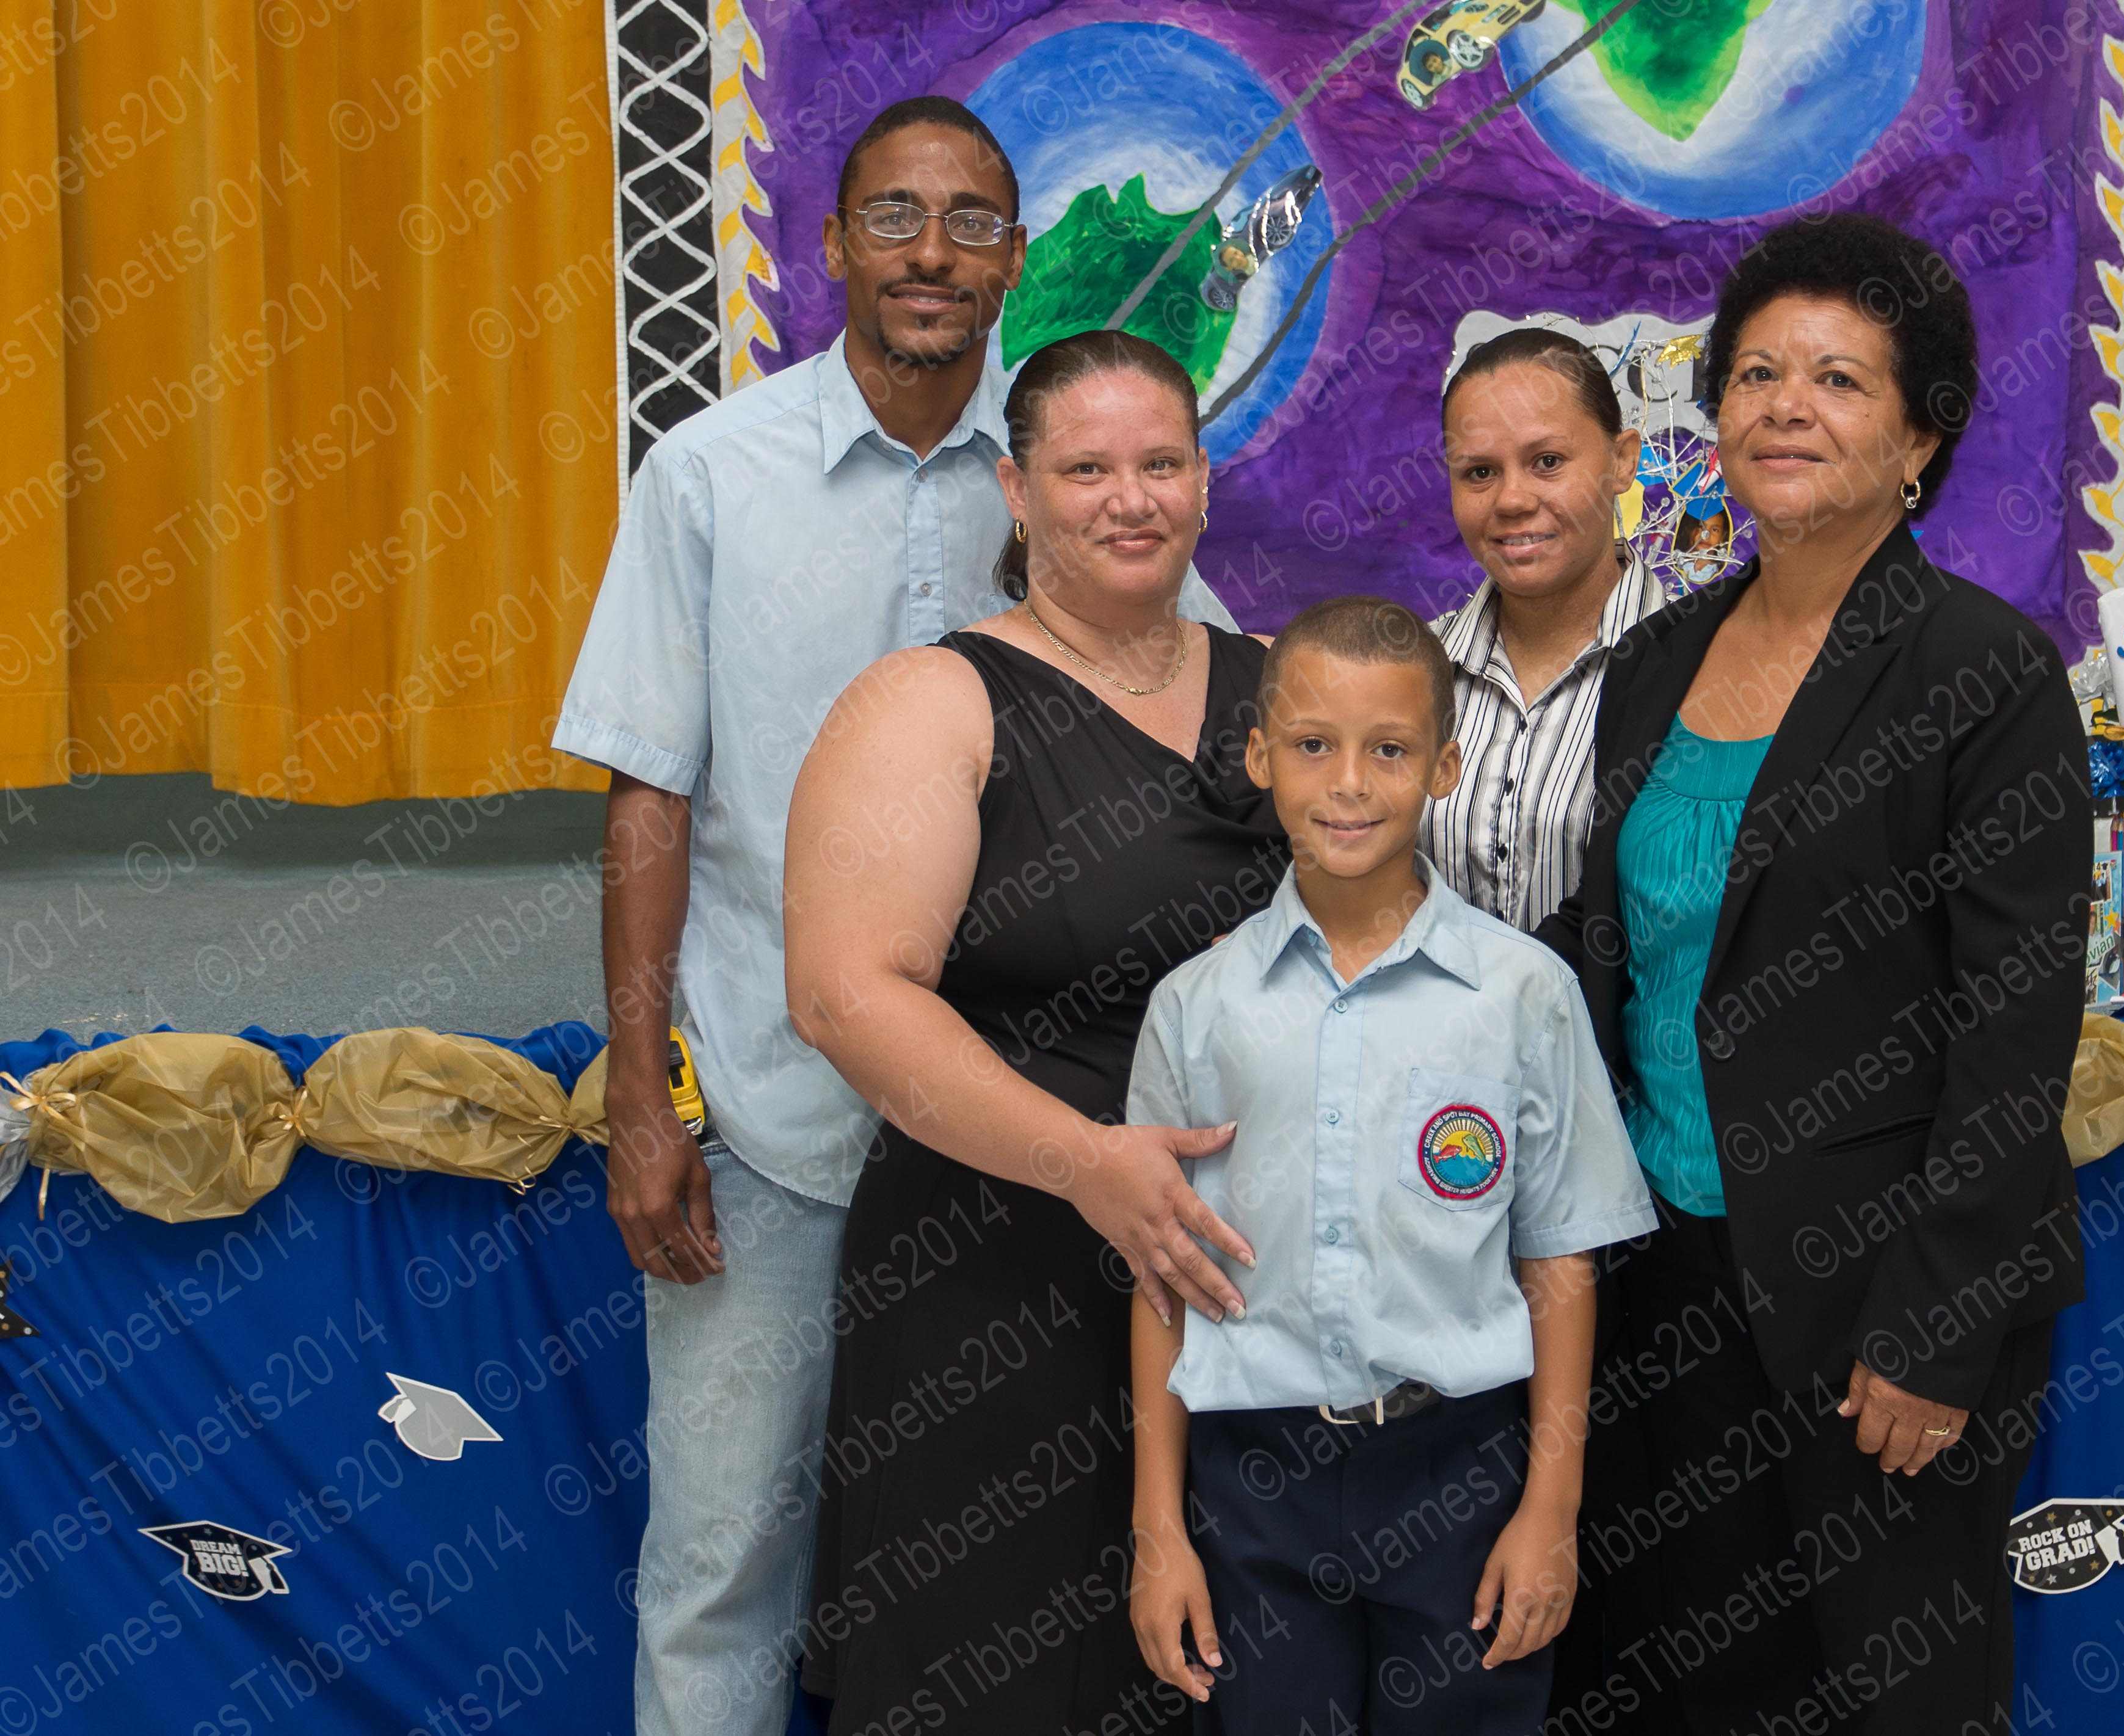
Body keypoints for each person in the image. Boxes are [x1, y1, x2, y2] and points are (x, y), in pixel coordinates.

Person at [551, 97, 1234, 1735]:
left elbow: (1208, 727)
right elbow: (647, 800)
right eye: (895, 217)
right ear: (831, 243)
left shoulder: (1076, 459)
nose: (933, 253)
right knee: (726, 1557)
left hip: (1022, 1154)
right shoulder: (711, 476)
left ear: (1017, 256)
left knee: (999, 1557)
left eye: (972, 221)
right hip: (775, 1127)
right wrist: (642, 1099)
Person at [1535, 213, 2092, 1734]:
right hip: (1661, 1286)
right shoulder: (1655, 661)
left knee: (1883, 1692)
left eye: (1840, 379)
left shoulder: (1983, 674)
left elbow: (2014, 1032)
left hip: (1877, 1307)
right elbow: (1619, 943)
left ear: (1919, 439)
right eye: (1757, 373)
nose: (1786, 406)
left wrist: (1933, 1330)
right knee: (1671, 1688)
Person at [781, 328, 1289, 1736]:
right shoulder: (930, 702)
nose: (1131, 498)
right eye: (1086, 469)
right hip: (997, 1286)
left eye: (1161, 463)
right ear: (1016, 490)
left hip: (1249, 1295)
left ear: (1204, 480)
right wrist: (1087, 1163)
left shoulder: (1289, 690)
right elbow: (842, 991)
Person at [1120, 597, 1656, 1733]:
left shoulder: (1522, 993)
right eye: (1313, 744)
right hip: (1252, 1480)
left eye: (1391, 749)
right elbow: (1160, 1277)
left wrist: (1550, 1509)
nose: (1350, 783)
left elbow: (1560, 1262)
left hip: (1462, 1470)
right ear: (1260, 755)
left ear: (1445, 767)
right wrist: (1158, 1528)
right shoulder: (1196, 1006)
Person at [1427, 329, 1666, 931]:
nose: (1512, 499)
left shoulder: (1703, 670)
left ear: (1622, 460)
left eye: (1548, 462)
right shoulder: (1410, 671)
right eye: (1479, 471)